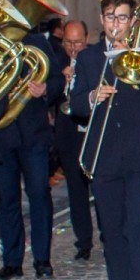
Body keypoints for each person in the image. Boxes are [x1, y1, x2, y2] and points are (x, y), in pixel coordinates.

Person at [69, 0, 140, 280]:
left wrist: (133, 62)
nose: (116, 24)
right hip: (104, 155)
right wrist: (92, 97)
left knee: (138, 224)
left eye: (122, 17)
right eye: (110, 17)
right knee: (111, 228)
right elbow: (75, 107)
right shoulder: (89, 58)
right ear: (102, 19)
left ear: (132, 21)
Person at [0, 25, 60, 280]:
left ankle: (42, 259)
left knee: (39, 195)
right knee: (7, 200)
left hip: (34, 134)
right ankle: (12, 261)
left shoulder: (36, 42)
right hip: (2, 133)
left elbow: (57, 80)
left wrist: (45, 90)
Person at [53, 19, 95, 261]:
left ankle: (107, 235)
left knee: (99, 188)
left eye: (78, 41)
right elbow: (48, 96)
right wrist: (62, 82)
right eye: (68, 42)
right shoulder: (57, 61)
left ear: (86, 40)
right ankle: (83, 241)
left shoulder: (94, 59)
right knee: (76, 191)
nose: (73, 47)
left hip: (90, 132)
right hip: (69, 135)